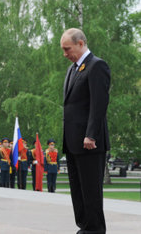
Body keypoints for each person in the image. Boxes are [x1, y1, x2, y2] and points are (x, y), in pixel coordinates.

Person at [61, 28, 110, 234]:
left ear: (81, 44)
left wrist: (91, 134)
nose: (65, 54)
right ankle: (84, 228)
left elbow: (98, 105)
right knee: (78, 193)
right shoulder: (73, 69)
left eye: (67, 49)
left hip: (89, 142)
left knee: (91, 193)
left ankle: (95, 230)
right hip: (73, 142)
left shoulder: (96, 66)